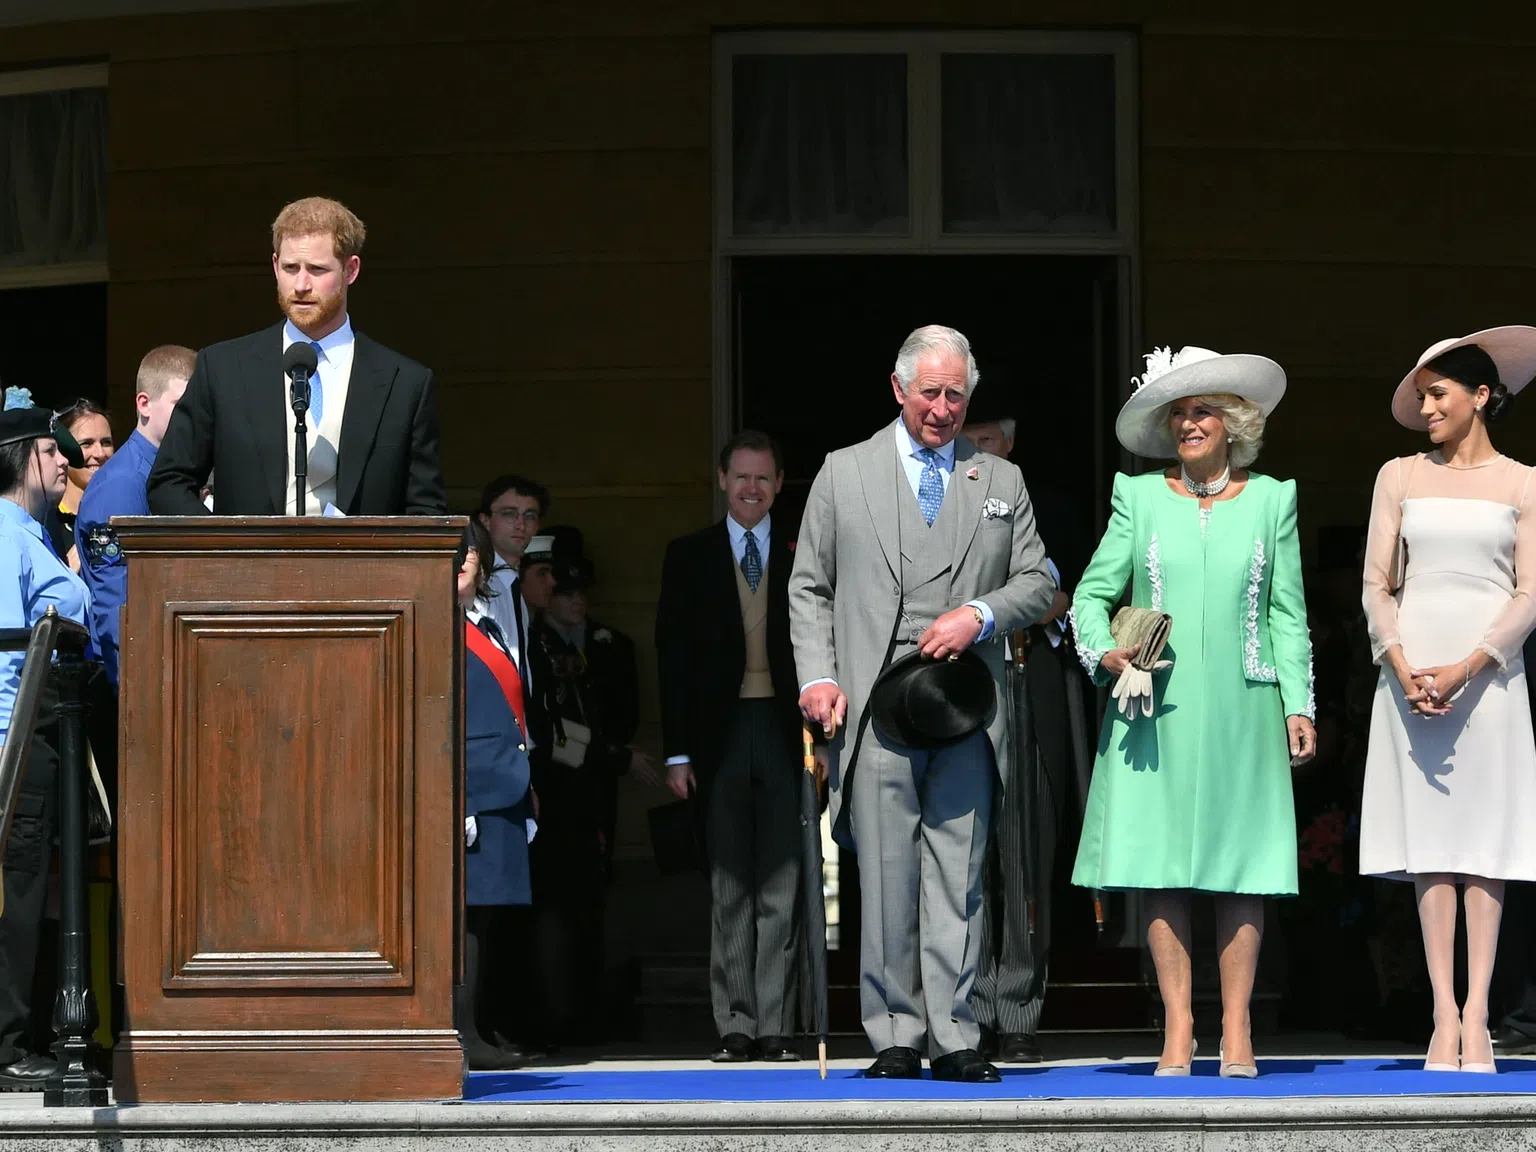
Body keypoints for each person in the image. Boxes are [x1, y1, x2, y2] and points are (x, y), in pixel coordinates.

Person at [790, 326, 1055, 1083]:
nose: (943, 408)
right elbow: (809, 585)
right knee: (885, 870)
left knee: (959, 868)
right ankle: (895, 1032)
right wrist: (817, 676)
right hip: (874, 707)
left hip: (967, 706)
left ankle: (956, 1033)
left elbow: (1038, 581)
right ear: (898, 388)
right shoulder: (843, 474)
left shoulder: (1000, 482)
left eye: (956, 395)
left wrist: (979, 614)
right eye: (931, 393)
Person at [1069, 345, 1315, 1079]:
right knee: (1162, 865)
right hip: (1156, 711)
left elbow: (1287, 613)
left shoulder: (1274, 500)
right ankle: (1177, 1027)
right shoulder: (1137, 498)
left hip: (1245, 703)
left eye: (1200, 409)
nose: (1187, 423)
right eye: (1176, 413)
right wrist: (1104, 653)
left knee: (1244, 868)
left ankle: (1237, 1026)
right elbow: (1089, 595)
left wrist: (1299, 703)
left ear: (1234, 422)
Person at [1358, 326, 1536, 1073]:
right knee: (1432, 850)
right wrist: (1402, 665)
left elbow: (1530, 592)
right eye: (1423, 396)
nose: (1427, 408)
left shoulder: (1524, 482)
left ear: (1481, 395)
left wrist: (1470, 665)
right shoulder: (1398, 475)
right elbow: (1376, 583)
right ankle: (1440, 1015)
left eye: (1439, 394)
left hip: (1489, 674)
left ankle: (1479, 1016)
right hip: (1411, 671)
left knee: (1484, 849)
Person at [146, 196, 446, 517]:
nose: (301, 285)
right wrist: (224, 548)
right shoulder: (222, 369)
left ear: (351, 270)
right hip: (246, 565)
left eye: (317, 270)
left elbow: (426, 511)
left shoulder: (404, 384)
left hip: (361, 567)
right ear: (275, 266)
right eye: (291, 268)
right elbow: (168, 482)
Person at [657, 430, 805, 1063]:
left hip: (782, 729)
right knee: (729, 884)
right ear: (721, 481)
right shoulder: (687, 555)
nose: (752, 488)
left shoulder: (805, 552)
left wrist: (821, 742)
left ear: (778, 484)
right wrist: (676, 752)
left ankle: (776, 1023)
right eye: (741, 477)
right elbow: (673, 656)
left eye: (763, 478)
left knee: (784, 880)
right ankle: (736, 1024)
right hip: (717, 737)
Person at [961, 391, 1087, 1064]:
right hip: (963, 701)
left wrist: (1042, 604)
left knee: (1026, 861)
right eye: (967, 440)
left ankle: (1017, 1012)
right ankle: (969, 1012)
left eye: (987, 439)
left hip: (1031, 692)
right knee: (967, 861)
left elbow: (1077, 600)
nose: (976, 451)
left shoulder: (1055, 510)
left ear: (1009, 444)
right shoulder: (940, 510)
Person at [524, 528, 652, 1044]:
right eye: (562, 591)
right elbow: (550, 731)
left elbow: (620, 715)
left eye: (580, 592)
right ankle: (553, 1018)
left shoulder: (608, 645)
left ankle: (583, 1013)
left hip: (594, 799)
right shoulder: (532, 643)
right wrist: (612, 755)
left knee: (589, 903)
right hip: (549, 796)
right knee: (550, 909)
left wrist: (606, 754)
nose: (574, 601)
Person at [0, 387, 88, 1090]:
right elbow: (6, 652)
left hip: (43, 737)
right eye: (54, 449)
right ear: (22, 457)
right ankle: (7, 1043)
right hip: (18, 739)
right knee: (16, 893)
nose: (68, 460)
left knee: (32, 890)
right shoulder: (3, 534)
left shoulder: (34, 533)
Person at [455, 521, 536, 1070]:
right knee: (462, 922)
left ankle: (479, 1028)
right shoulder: (429, 625)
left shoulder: (485, 622)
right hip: (469, 792)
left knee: (487, 920)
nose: (463, 558)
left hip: (504, 785)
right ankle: (460, 1034)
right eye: (451, 550)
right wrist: (455, 800)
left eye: (471, 551)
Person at [75, 346, 195, 688]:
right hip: (137, 683)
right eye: (181, 406)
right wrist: (140, 698)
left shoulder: (169, 472)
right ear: (144, 404)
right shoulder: (122, 484)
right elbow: (118, 609)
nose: (194, 418)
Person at [477, 475, 549, 723]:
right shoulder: (476, 581)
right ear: (486, 520)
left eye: (530, 516)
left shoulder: (512, 582)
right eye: (509, 513)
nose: (520, 524)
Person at [49, 397, 115, 569]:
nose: (100, 453)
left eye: (106, 442)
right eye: (86, 444)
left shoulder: (123, 511)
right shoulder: (46, 521)